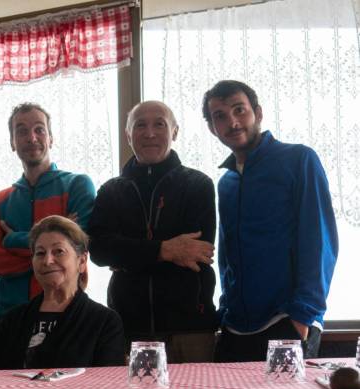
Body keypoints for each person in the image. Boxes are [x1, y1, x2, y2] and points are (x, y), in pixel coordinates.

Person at [202, 80, 339, 362]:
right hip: (234, 326)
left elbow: (319, 241)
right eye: (220, 116)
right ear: (212, 128)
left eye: (240, 110)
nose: (233, 122)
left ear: (258, 113)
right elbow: (227, 255)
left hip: (288, 320)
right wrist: (225, 308)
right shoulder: (225, 182)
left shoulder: (299, 159)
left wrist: (302, 316)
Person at [88, 101, 217, 363]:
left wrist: (128, 255)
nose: (149, 133)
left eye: (159, 124)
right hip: (128, 325)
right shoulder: (110, 190)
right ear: (128, 135)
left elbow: (197, 251)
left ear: (175, 132)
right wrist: (165, 250)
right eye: (140, 125)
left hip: (190, 326)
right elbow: (100, 251)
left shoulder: (198, 184)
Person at [0, 103, 96, 321]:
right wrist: (58, 251)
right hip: (8, 317)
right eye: (21, 131)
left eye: (39, 129)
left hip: (66, 314)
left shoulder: (77, 186)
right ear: (12, 143)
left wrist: (13, 239)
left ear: (51, 138)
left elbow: (81, 244)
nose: (31, 138)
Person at [0, 215, 125, 369]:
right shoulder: (12, 320)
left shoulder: (104, 322)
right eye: (40, 253)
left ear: (81, 261)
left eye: (58, 251)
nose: (48, 261)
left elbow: (108, 386)